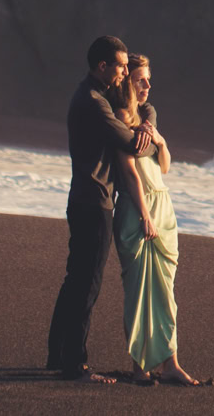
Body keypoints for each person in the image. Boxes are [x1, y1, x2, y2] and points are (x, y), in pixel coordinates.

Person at [45, 34, 155, 383]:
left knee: (74, 280)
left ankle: (57, 356)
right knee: (87, 285)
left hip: (82, 200)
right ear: (102, 66)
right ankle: (76, 365)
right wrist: (152, 140)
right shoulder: (94, 102)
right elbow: (128, 143)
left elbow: (141, 106)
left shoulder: (94, 94)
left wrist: (148, 122)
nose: (125, 72)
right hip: (95, 204)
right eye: (121, 66)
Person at [111, 55, 202, 386]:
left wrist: (160, 140)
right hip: (138, 210)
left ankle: (170, 363)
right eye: (140, 80)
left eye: (148, 79)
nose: (148, 85)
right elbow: (128, 170)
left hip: (162, 204)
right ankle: (139, 368)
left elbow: (163, 166)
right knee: (138, 293)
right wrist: (144, 216)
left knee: (165, 291)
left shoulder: (147, 117)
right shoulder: (120, 117)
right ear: (127, 82)